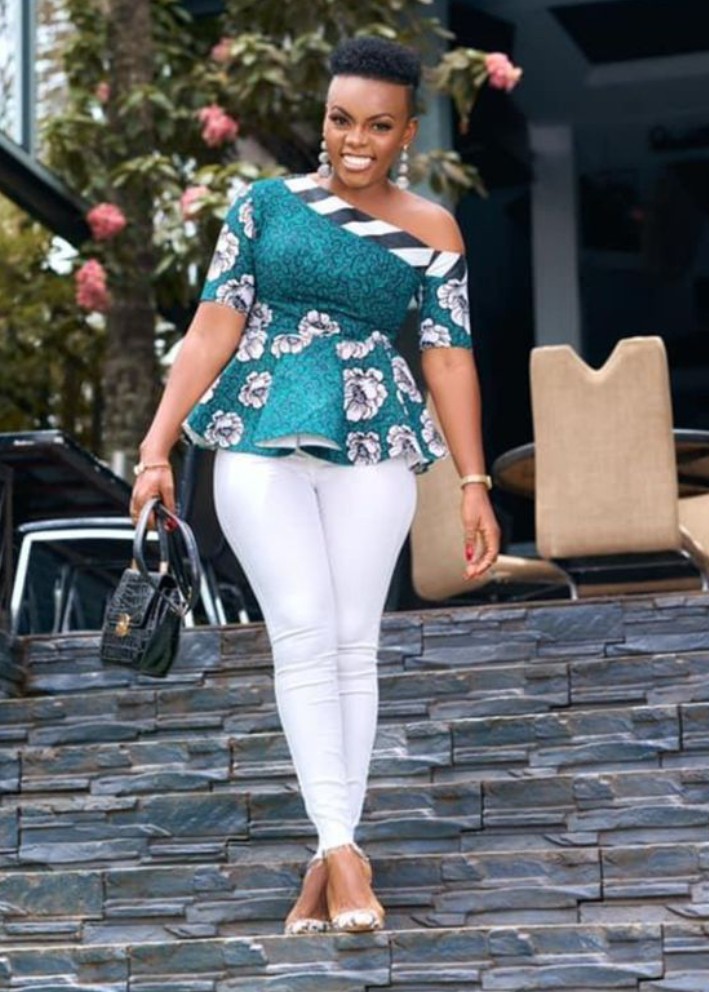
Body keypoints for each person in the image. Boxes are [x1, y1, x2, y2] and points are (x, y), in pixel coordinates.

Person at [130, 36, 500, 935]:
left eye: (378, 125)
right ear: (324, 120)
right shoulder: (264, 206)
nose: (355, 141)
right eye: (341, 120)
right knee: (301, 627)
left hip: (373, 439)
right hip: (258, 432)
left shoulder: (434, 231)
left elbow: (449, 359)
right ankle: (343, 852)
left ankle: (329, 863)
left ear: (407, 132)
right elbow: (213, 327)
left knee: (351, 643)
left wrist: (474, 481)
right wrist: (155, 447)